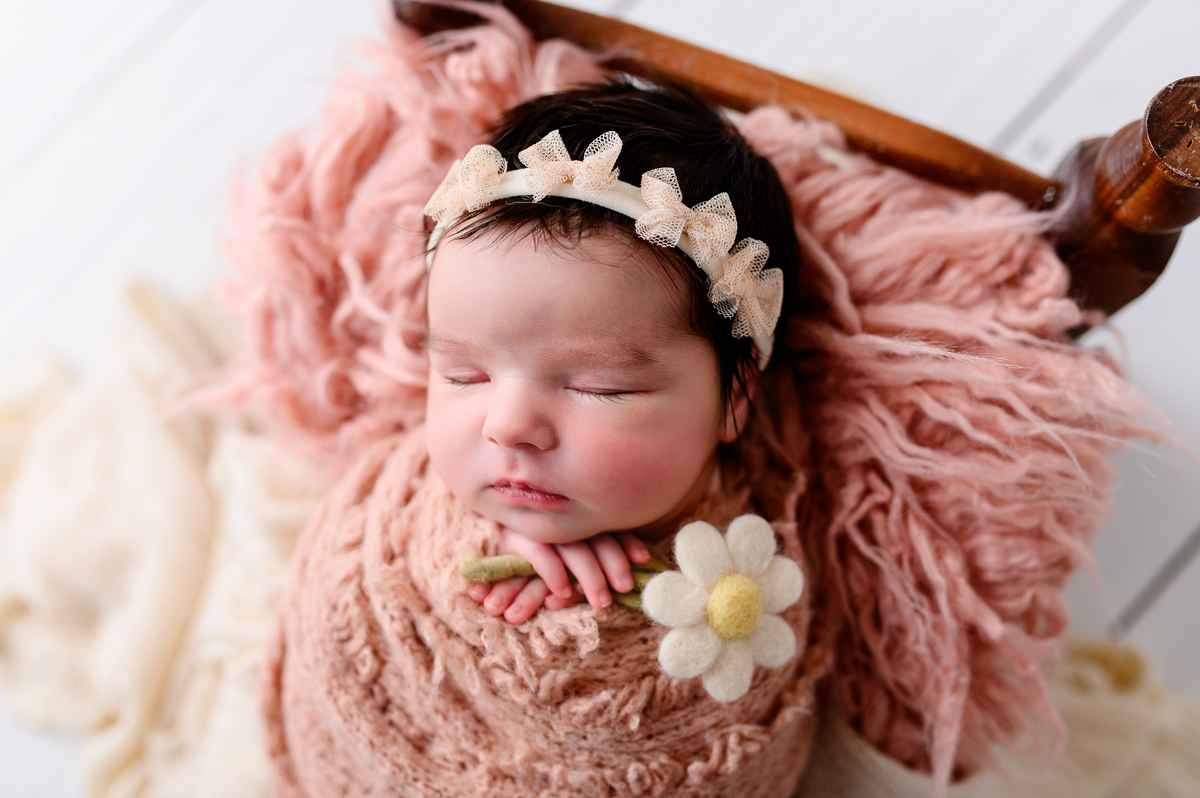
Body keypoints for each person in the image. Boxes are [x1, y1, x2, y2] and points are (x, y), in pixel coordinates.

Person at [420, 80, 803, 624]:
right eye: (463, 376)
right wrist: (485, 541)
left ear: (736, 397)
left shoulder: (766, 549)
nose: (506, 427)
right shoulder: (413, 506)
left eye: (599, 388)